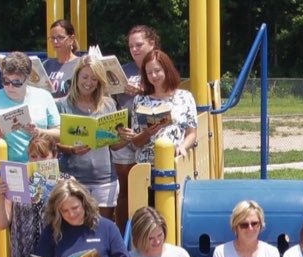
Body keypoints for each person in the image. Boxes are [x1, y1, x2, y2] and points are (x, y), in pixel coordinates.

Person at [57, 61, 128, 220]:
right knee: (73, 225)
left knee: (101, 227)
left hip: (104, 178)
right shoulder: (62, 105)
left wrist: (126, 138)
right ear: (76, 77)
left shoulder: (108, 104)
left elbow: (114, 145)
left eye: (94, 79)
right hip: (74, 176)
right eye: (85, 77)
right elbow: (56, 143)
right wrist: (72, 149)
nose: (88, 83)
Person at [0, 51, 60, 162]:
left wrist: (38, 131)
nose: (10, 87)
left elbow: (59, 133)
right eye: (5, 81)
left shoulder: (44, 96)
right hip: (7, 167)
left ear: (27, 78)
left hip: (41, 165)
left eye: (16, 82)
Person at [112, 25, 161, 217]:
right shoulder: (123, 70)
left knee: (151, 189)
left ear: (152, 43)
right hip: (125, 135)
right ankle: (124, 235)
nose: (134, 49)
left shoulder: (159, 66)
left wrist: (144, 90)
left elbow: (170, 92)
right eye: (131, 46)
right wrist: (117, 88)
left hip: (151, 134)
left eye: (139, 45)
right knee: (125, 190)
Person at [127, 49, 198, 164]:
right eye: (149, 72)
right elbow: (135, 143)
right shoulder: (140, 100)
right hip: (146, 166)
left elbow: (192, 133)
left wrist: (183, 146)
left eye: (157, 70)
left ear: (166, 69)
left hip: (174, 162)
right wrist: (147, 133)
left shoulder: (185, 97)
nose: (154, 76)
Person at [44, 19, 81, 98]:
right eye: (52, 38)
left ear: (71, 39)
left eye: (60, 37)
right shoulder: (46, 65)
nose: (55, 42)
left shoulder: (80, 64)